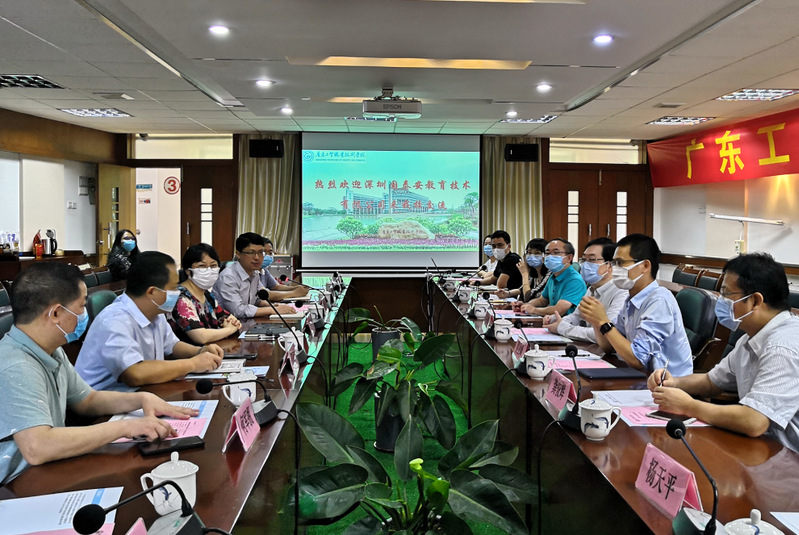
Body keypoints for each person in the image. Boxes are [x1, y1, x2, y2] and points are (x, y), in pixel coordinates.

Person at [0, 263, 197, 484]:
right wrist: (125, 427)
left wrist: (141, 399)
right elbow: (38, 447)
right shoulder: (16, 365)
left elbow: (87, 400)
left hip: (46, 470)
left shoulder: (50, 348)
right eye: (82, 305)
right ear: (56, 313)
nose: (84, 313)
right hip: (15, 486)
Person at [649, 252, 799, 452]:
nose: (721, 300)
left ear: (755, 301)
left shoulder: (783, 347)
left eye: (727, 294)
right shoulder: (750, 337)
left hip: (788, 457)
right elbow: (712, 382)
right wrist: (674, 382)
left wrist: (688, 406)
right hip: (762, 448)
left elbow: (755, 421)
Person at [76, 251, 224, 391]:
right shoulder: (115, 320)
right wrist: (192, 364)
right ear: (152, 292)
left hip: (143, 393)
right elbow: (134, 373)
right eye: (173, 288)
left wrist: (199, 351)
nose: (178, 292)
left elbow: (172, 346)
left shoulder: (155, 312)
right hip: (105, 403)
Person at [580, 233, 692, 376]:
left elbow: (638, 359)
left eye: (620, 263)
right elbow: (608, 346)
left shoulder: (659, 300)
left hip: (668, 384)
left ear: (645, 266)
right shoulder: (631, 299)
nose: (615, 269)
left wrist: (604, 321)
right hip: (641, 377)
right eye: (614, 263)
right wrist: (596, 321)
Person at [543, 238, 627, 343]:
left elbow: (607, 334)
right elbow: (576, 317)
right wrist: (555, 320)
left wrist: (563, 328)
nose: (585, 265)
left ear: (610, 265)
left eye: (592, 260)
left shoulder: (621, 292)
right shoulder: (591, 289)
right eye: (583, 260)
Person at [170, 243, 242, 344]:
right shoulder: (181, 297)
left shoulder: (206, 294)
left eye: (213, 265)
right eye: (202, 266)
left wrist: (231, 324)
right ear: (188, 270)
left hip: (212, 349)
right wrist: (229, 330)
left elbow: (228, 318)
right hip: (190, 353)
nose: (209, 270)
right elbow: (201, 337)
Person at [213, 233, 298, 318]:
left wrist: (272, 306)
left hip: (245, 322)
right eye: (251, 253)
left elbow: (257, 300)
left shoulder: (255, 273)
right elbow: (238, 311)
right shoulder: (228, 276)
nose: (257, 257)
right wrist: (274, 310)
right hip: (224, 323)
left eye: (261, 252)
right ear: (238, 254)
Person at [516, 238, 586, 316]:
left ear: (569, 258)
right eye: (547, 253)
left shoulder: (574, 280)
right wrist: (526, 305)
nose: (550, 256)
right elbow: (542, 300)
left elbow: (559, 310)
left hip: (568, 322)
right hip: (552, 320)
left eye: (556, 253)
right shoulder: (553, 276)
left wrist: (534, 310)